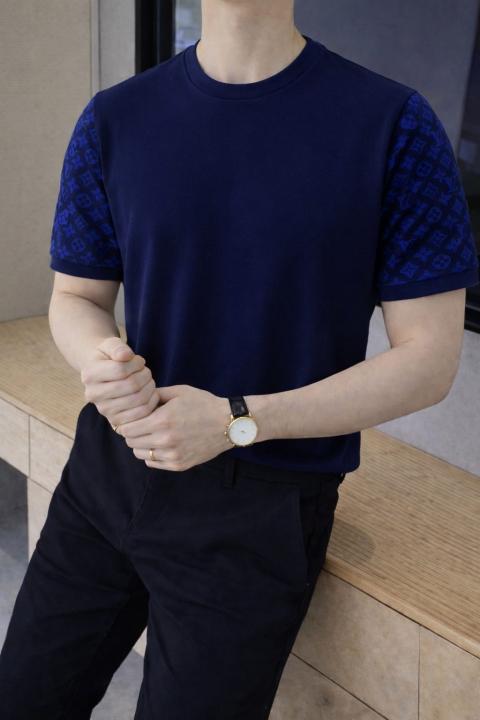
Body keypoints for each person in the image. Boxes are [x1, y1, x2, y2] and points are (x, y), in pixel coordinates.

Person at [1, 0, 479, 718]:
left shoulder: (393, 125)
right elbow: (75, 296)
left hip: (259, 510)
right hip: (107, 473)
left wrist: (235, 421)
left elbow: (429, 360)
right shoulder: (114, 118)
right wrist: (101, 358)